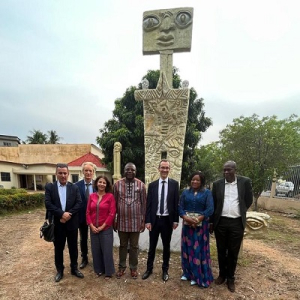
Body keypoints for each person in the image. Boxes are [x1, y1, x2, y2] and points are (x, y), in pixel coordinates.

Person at [210, 161, 253, 292]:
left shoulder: (244, 182)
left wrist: (241, 210)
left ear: (235, 170)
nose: (226, 172)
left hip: (236, 222)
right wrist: (212, 222)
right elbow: (214, 203)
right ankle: (222, 275)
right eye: (224, 170)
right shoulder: (217, 184)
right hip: (221, 222)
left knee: (233, 252)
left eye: (229, 170)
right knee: (221, 250)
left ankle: (231, 278)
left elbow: (248, 200)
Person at [45, 163, 84, 282]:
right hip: (57, 224)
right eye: (60, 173)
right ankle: (60, 270)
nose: (63, 175)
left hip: (72, 223)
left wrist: (68, 214)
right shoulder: (50, 187)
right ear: (56, 174)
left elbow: (79, 203)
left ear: (68, 174)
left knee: (73, 247)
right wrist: (61, 214)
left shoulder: (74, 187)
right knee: (58, 248)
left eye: (65, 173)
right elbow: (48, 204)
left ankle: (74, 268)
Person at [142, 159, 179, 282]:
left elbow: (175, 203)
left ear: (169, 169)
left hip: (167, 221)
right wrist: (147, 220)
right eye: (162, 167)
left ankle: (165, 270)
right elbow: (148, 204)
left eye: (167, 168)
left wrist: (176, 220)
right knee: (152, 246)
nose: (164, 170)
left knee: (166, 247)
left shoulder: (174, 184)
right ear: (159, 169)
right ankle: (149, 269)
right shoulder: (152, 185)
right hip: (154, 220)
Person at [179, 171, 214, 287]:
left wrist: (199, 218)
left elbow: (210, 208)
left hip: (200, 227)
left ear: (202, 182)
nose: (195, 181)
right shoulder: (185, 193)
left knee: (198, 250)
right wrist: (185, 217)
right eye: (193, 179)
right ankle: (187, 273)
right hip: (187, 226)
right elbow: (180, 207)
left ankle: (197, 275)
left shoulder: (207, 193)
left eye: (197, 180)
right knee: (187, 249)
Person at [113, 162, 147, 279]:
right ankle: (121, 267)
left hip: (135, 222)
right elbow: (114, 204)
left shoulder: (141, 185)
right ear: (124, 170)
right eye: (128, 169)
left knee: (134, 246)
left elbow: (144, 204)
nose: (130, 171)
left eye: (132, 170)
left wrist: (143, 221)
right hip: (121, 221)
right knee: (122, 245)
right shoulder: (117, 185)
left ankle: (133, 268)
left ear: (135, 171)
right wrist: (114, 219)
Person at [86, 175, 116, 279]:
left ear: (107, 185)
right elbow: (88, 212)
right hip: (93, 228)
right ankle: (98, 270)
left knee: (107, 250)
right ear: (96, 183)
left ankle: (108, 272)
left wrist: (103, 226)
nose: (101, 184)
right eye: (100, 182)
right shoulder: (91, 196)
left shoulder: (110, 197)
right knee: (96, 250)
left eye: (104, 183)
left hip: (106, 228)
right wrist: (91, 225)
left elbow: (112, 213)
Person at [75, 162, 96, 269]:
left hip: (95, 218)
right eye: (86, 170)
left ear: (93, 172)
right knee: (83, 238)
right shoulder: (76, 186)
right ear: (83, 172)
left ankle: (97, 258)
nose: (88, 173)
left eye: (90, 171)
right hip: (82, 217)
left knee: (95, 238)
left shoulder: (98, 184)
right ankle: (84, 258)